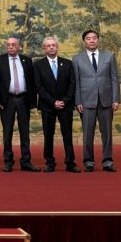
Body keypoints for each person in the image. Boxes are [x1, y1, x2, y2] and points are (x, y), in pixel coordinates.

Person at [72, 30, 121, 172]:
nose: (92, 40)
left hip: (106, 100)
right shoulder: (77, 59)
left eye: (94, 38)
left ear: (98, 40)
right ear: (84, 41)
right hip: (86, 101)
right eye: (88, 38)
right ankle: (88, 161)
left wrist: (116, 98)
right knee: (88, 133)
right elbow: (76, 81)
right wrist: (78, 101)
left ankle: (107, 161)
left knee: (107, 133)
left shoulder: (109, 56)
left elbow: (114, 78)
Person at [0, 38, 40, 172]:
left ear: (19, 47)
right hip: (7, 101)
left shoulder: (26, 60)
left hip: (23, 99)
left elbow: (31, 82)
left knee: (25, 132)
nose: (10, 47)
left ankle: (26, 161)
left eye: (13, 45)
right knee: (7, 132)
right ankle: (8, 161)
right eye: (8, 45)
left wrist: (32, 101)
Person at [33, 37, 80, 173]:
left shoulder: (68, 63)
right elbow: (39, 87)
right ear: (44, 49)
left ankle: (70, 163)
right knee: (48, 135)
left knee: (67, 135)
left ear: (57, 47)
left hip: (66, 105)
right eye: (48, 46)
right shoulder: (38, 65)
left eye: (54, 45)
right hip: (47, 106)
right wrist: (53, 102)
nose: (51, 47)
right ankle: (50, 163)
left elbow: (72, 84)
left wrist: (65, 100)